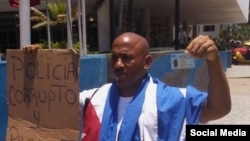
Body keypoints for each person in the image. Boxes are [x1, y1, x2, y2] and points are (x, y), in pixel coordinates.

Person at [23, 32, 231, 141]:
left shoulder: (172, 99)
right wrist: (39, 65)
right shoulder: (92, 99)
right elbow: (46, 107)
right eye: (114, 58)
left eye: (126, 58)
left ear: (147, 62)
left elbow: (219, 108)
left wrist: (213, 60)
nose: (118, 64)